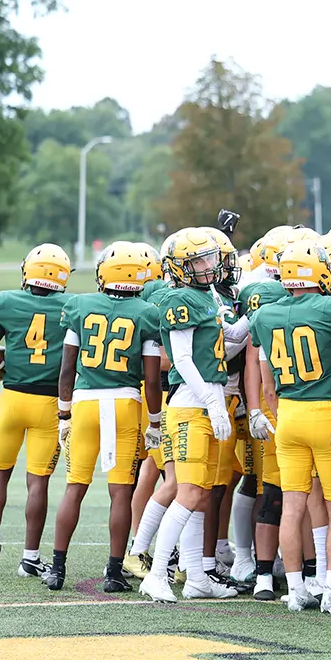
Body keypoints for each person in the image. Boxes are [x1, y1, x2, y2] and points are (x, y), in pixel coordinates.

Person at [249, 239, 331, 612]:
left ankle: (296, 588)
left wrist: (282, 415)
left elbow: (266, 384)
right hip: (328, 414)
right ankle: (330, 586)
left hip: (289, 415)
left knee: (292, 505)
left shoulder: (265, 315)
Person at [49, 243, 164, 593]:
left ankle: (56, 569)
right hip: (124, 404)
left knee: (75, 488)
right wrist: (156, 422)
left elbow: (67, 367)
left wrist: (63, 413)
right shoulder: (146, 312)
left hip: (84, 403)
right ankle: (114, 573)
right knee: (119, 493)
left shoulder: (80, 306)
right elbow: (152, 377)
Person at [138, 228, 236, 604]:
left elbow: (230, 337)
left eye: (209, 259)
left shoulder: (204, 296)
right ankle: (157, 573)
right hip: (190, 406)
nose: (209, 267)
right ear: (180, 268)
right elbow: (181, 359)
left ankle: (196, 576)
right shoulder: (180, 299)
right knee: (189, 491)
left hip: (206, 401)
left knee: (201, 494)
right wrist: (212, 402)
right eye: (198, 261)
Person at [0, 244, 72, 578]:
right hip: (50, 405)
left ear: (28, 271)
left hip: (12, 399)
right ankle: (29, 558)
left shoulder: (6, 301)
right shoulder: (72, 307)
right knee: (37, 483)